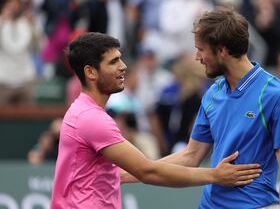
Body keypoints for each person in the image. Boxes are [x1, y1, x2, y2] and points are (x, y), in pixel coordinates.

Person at [50, 32, 262, 209]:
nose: (123, 66)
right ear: (90, 72)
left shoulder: (83, 111)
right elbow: (147, 170)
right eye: (114, 61)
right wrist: (215, 176)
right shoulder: (92, 119)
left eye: (121, 58)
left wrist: (125, 174)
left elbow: (131, 171)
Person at [124, 7, 280, 209]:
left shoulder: (277, 95)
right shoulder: (213, 92)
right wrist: (128, 173)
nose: (197, 57)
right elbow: (190, 156)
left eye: (201, 49)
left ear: (223, 50)